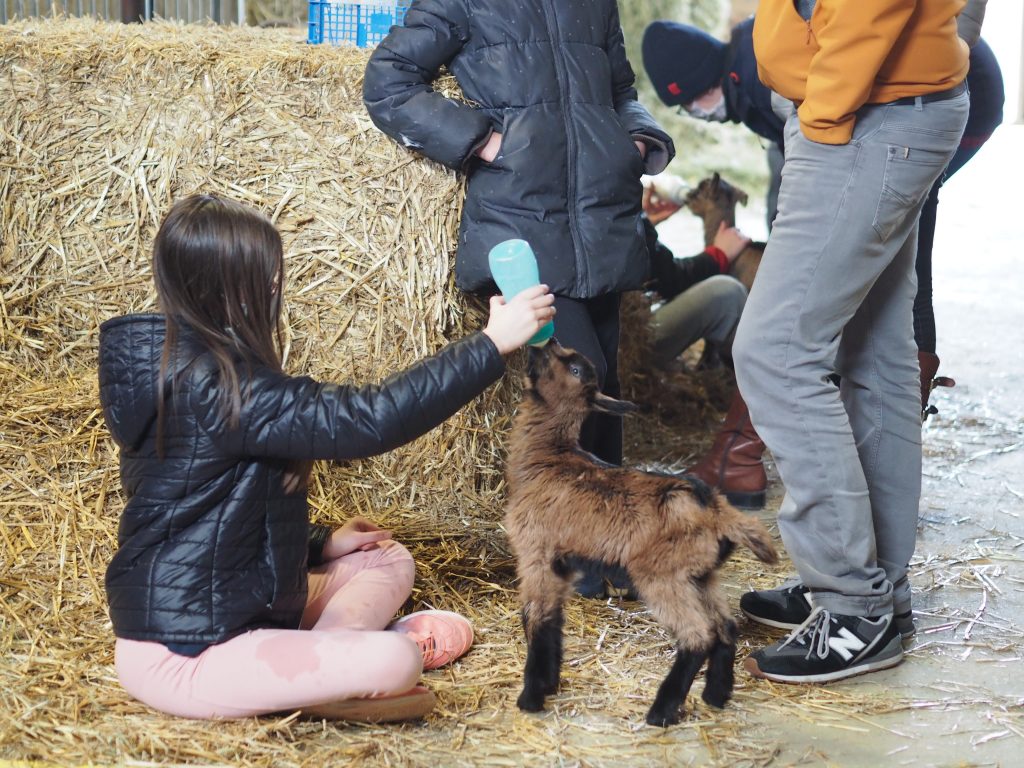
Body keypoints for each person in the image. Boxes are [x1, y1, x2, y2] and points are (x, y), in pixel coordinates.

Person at [98, 195, 556, 721]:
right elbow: (368, 419)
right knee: (397, 659)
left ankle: (331, 660)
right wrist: (490, 344)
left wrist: (323, 542)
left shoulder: (190, 369)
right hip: (188, 649)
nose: (275, 287)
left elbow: (206, 504)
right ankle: (346, 669)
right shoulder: (217, 386)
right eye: (263, 274)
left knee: (386, 557)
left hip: (235, 603)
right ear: (222, 286)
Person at [363, 0, 674, 599]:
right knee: (576, 383)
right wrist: (485, 142)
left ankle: (608, 557)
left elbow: (620, 86)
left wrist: (635, 140)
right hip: (523, 220)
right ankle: (580, 556)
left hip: (601, 217)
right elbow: (389, 80)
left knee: (602, 390)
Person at [732, 0, 969, 683]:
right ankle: (876, 594)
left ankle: (851, 603)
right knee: (874, 354)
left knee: (774, 353)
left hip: (865, 117)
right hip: (888, 108)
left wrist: (823, 116)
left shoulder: (843, 112)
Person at [641, 16, 785, 227]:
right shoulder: (747, 71)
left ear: (704, 85)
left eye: (687, 105)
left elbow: (811, 159)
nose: (696, 115)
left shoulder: (759, 81)